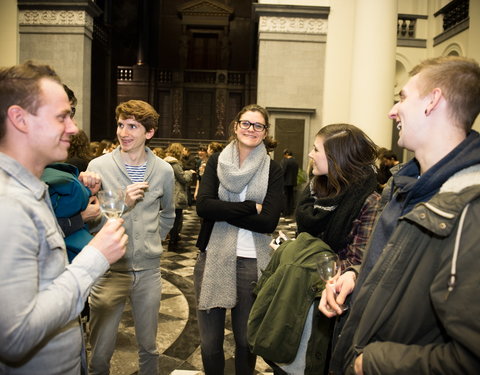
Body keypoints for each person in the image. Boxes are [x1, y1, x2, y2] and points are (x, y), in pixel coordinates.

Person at [321, 56, 480, 375]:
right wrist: (355, 275)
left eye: (403, 97)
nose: (392, 111)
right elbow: (390, 261)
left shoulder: (470, 209)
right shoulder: (401, 185)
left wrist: (375, 363)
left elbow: (469, 359)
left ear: (433, 101)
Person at [0, 61, 127, 374]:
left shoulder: (32, 188)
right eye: (61, 117)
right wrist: (95, 257)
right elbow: (15, 338)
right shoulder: (10, 206)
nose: (73, 128)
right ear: (19, 119)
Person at [262, 124, 380, 375]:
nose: (310, 154)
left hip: (329, 308)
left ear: (338, 158)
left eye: (316, 149)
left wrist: (303, 260)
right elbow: (303, 238)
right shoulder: (315, 189)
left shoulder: (369, 201)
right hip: (294, 296)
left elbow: (357, 261)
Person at [87, 99, 175, 375]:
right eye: (121, 125)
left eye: (133, 126)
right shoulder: (98, 166)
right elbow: (91, 224)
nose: (124, 132)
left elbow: (169, 213)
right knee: (100, 350)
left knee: (149, 348)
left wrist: (152, 242)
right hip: (109, 271)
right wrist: (123, 205)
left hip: (148, 272)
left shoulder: (163, 170)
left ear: (148, 133)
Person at [194, 104, 284, 375]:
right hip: (213, 257)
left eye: (258, 126)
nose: (251, 130)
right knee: (210, 343)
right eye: (246, 123)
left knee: (246, 341)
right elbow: (203, 207)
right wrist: (249, 207)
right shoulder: (216, 162)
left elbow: (268, 221)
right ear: (235, 126)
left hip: (253, 261)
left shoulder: (273, 169)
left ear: (265, 132)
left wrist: (222, 209)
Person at [164, 142, 195, 251]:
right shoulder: (174, 164)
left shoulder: (165, 162)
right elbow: (183, 179)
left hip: (168, 194)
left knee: (173, 218)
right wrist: (189, 172)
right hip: (175, 194)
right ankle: (173, 240)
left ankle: (173, 237)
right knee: (176, 219)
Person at [280, 148, 299, 217]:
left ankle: (285, 212)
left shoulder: (285, 161)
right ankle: (291, 212)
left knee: (285, 197)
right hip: (293, 182)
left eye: (284, 154)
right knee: (291, 197)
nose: (284, 156)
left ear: (287, 154)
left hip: (285, 182)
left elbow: (282, 172)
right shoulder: (295, 161)